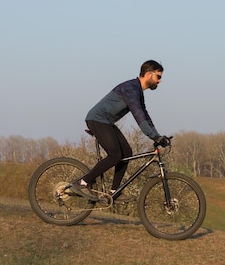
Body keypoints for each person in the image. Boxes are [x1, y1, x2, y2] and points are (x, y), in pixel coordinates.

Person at [66, 60, 170, 201]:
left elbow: (145, 115)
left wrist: (157, 136)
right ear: (147, 74)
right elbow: (138, 114)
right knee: (115, 155)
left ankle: (114, 192)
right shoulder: (131, 89)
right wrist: (153, 136)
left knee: (126, 152)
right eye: (158, 76)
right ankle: (81, 183)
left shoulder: (137, 91)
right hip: (97, 120)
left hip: (106, 122)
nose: (160, 81)